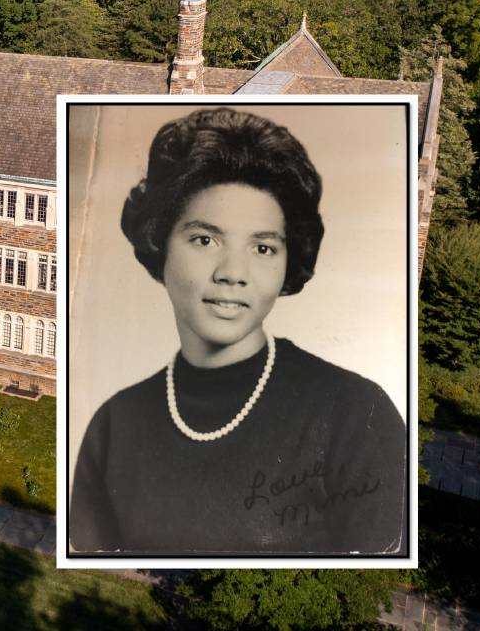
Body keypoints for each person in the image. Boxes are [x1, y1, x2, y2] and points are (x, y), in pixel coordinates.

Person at [69, 108, 407, 555]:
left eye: (263, 247)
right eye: (205, 240)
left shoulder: (357, 416)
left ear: (287, 262)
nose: (232, 273)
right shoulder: (114, 424)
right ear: (160, 245)